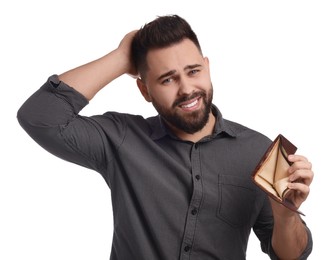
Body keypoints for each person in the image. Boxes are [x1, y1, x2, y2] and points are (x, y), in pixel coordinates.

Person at [17, 14, 313, 260]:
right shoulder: (122, 139)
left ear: (208, 69)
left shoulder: (257, 151)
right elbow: (40, 116)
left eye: (193, 71)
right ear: (145, 91)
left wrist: (286, 216)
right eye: (167, 79)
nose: (186, 89)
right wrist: (122, 57)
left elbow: (291, 257)